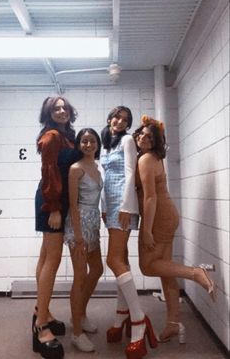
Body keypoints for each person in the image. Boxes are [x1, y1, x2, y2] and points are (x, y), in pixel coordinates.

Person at [133, 115, 217, 344]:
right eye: (141, 133)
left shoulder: (146, 159)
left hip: (159, 216)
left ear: (156, 142)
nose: (143, 138)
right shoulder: (153, 157)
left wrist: (147, 230)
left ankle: (196, 273)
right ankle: (172, 323)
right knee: (165, 270)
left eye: (150, 137)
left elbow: (150, 198)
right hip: (168, 214)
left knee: (148, 266)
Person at [100, 106, 157, 359]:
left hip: (123, 207)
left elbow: (129, 173)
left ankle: (138, 319)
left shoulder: (126, 140)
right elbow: (105, 177)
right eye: (117, 117)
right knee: (121, 260)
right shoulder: (107, 143)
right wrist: (104, 207)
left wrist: (124, 207)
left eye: (125, 120)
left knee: (112, 260)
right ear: (110, 117)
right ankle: (121, 316)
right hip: (110, 205)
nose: (120, 122)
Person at [33, 96, 80, 359]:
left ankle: (42, 310)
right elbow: (49, 172)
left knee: (45, 257)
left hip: (56, 199)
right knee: (53, 259)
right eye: (56, 108)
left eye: (64, 107)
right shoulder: (51, 137)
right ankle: (41, 325)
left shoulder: (65, 135)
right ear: (49, 113)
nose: (61, 111)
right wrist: (53, 207)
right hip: (52, 200)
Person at [64, 128, 104, 353]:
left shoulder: (98, 167)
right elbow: (72, 204)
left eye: (91, 141)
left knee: (97, 269)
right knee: (79, 276)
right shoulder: (75, 169)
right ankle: (76, 333)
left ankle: (79, 314)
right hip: (77, 223)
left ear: (97, 143)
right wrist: (78, 237)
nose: (88, 144)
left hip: (94, 222)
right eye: (84, 141)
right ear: (79, 145)